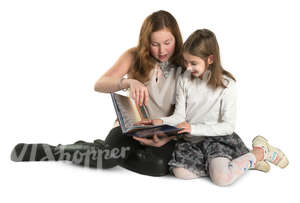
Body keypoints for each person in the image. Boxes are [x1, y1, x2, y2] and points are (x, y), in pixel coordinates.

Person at [11, 10, 185, 176]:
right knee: (109, 159)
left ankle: (109, 153)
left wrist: (167, 138)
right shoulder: (134, 56)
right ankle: (57, 151)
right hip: (131, 128)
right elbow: (100, 84)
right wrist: (128, 81)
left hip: (163, 134)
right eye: (155, 44)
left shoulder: (185, 64)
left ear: (176, 39)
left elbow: (190, 112)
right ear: (147, 42)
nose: (162, 50)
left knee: (158, 167)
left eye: (167, 43)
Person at [134, 29, 289, 186]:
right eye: (186, 62)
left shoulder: (227, 85)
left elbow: (228, 126)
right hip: (192, 141)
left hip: (216, 140)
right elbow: (179, 116)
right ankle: (242, 162)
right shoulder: (184, 79)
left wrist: (193, 128)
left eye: (193, 63)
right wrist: (159, 121)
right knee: (180, 172)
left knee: (221, 179)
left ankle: (259, 152)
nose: (187, 67)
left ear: (210, 59)